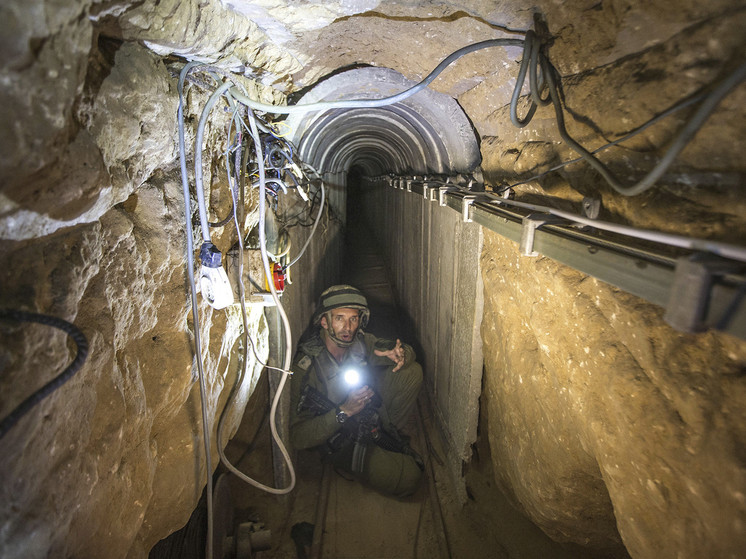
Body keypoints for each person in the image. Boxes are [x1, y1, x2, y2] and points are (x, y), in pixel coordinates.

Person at [289, 284, 424, 497]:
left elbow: (402, 350)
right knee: (410, 476)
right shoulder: (307, 368)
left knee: (412, 372)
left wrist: (401, 354)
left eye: (353, 319)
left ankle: (386, 432)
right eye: (339, 318)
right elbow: (297, 437)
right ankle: (361, 458)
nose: (348, 327)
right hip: (341, 437)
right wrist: (344, 411)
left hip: (367, 415)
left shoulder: (359, 342)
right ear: (324, 322)